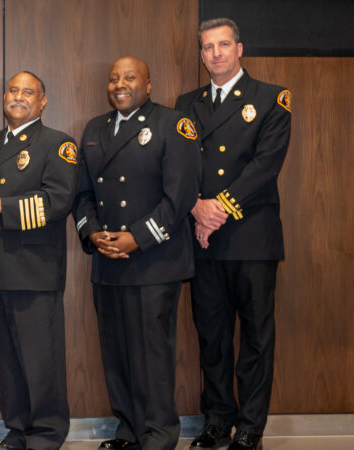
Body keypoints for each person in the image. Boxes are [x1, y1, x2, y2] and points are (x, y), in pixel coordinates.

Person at [73, 56, 201, 450]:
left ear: (149, 84)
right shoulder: (94, 129)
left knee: (151, 354)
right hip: (107, 262)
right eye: (113, 78)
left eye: (130, 77)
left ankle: (159, 435)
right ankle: (128, 431)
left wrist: (137, 237)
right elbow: (82, 195)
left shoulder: (172, 124)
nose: (119, 84)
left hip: (153, 259)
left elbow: (179, 197)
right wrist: (93, 234)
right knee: (116, 353)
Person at [175, 18, 291, 450]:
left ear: (240, 49)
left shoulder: (271, 98)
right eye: (208, 47)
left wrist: (216, 209)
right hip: (202, 240)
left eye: (224, 45)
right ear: (201, 54)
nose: (216, 53)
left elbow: (265, 166)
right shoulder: (186, 104)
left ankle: (250, 428)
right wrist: (195, 207)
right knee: (212, 336)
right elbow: (179, 166)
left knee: (257, 337)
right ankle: (217, 420)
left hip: (251, 237)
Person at [0, 71, 77, 450]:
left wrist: (4, 206)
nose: (19, 97)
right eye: (13, 90)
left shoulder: (58, 144)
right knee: (7, 360)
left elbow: (58, 202)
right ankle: (18, 430)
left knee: (41, 359)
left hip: (33, 270)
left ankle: (46, 433)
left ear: (42, 102)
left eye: (29, 92)